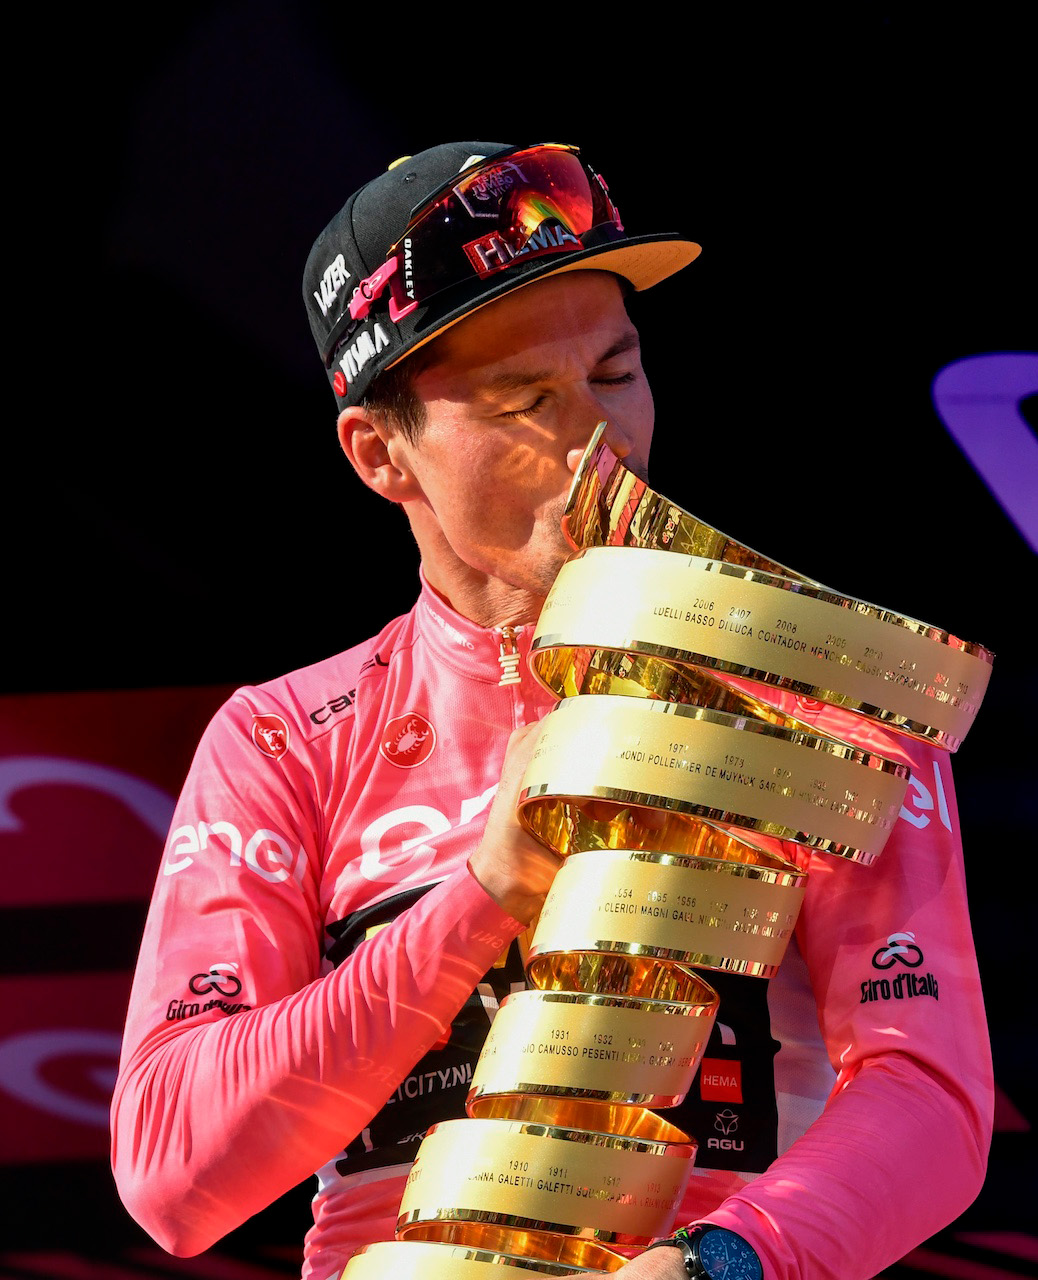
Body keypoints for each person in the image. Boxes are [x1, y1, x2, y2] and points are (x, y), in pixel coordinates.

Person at [110, 141, 993, 1280]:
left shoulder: (825, 686)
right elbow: (177, 1174)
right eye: (524, 398)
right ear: (381, 454)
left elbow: (931, 1092)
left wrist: (729, 1263)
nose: (597, 439)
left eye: (617, 374)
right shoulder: (286, 737)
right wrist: (482, 896)